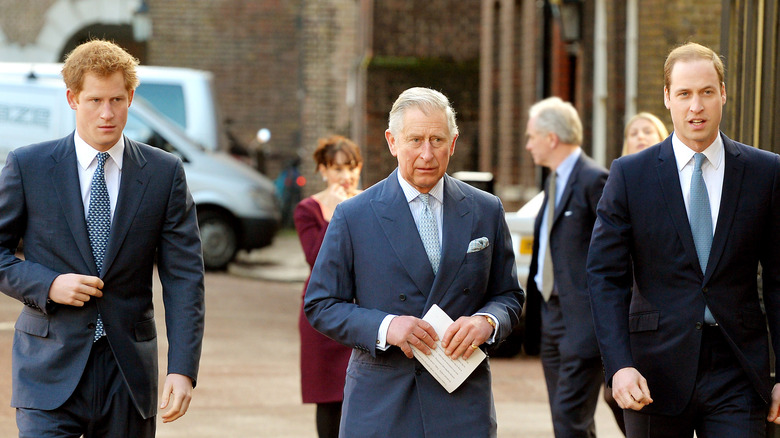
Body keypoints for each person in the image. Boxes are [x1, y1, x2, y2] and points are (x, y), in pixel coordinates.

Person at [0, 39, 205, 437]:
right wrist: (48, 284)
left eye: (117, 100)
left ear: (131, 97)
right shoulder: (29, 166)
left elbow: (185, 279)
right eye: (94, 100)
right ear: (72, 99)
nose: (107, 114)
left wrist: (182, 368)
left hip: (127, 375)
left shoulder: (164, 173)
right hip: (47, 369)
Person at [304, 87, 523, 437]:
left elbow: (509, 295)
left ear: (453, 143)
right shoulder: (354, 215)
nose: (427, 153)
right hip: (382, 404)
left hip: (462, 403)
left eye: (437, 140)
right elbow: (321, 304)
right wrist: (386, 327)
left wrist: (487, 321)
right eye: (415, 139)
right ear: (392, 142)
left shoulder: (486, 209)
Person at [587, 42, 780, 437]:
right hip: (652, 372)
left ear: (723, 94)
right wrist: (620, 365)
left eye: (707, 92)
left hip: (739, 370)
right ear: (667, 98)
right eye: (685, 94)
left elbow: (779, 280)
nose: (697, 106)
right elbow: (605, 277)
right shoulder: (630, 175)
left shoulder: (766, 172)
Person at [521, 97, 609, 437]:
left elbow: (618, 256)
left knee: (570, 419)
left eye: (531, 137)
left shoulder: (595, 181)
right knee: (567, 421)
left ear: (551, 138)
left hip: (581, 322)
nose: (528, 145)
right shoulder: (553, 181)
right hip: (550, 318)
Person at [599, 111, 670, 436]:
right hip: (627, 313)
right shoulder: (619, 181)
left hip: (665, 314)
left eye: (647, 131)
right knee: (616, 395)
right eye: (633, 133)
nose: (640, 136)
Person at [293, 135, 363, 438]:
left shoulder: (370, 202)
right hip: (322, 315)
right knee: (329, 400)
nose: (345, 177)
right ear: (322, 170)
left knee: (363, 395)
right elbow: (315, 258)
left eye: (351, 168)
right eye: (337, 169)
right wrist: (334, 215)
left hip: (363, 309)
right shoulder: (308, 210)